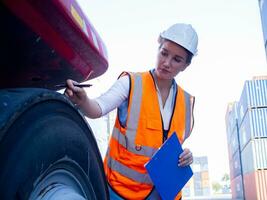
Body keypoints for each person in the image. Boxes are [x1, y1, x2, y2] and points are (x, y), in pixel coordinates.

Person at [64, 23, 198, 200]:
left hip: (165, 194)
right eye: (164, 53)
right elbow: (98, 108)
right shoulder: (131, 83)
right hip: (122, 191)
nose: (166, 63)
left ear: (186, 65)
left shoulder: (187, 102)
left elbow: (172, 144)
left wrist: (186, 156)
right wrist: (83, 101)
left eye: (177, 59)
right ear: (158, 48)